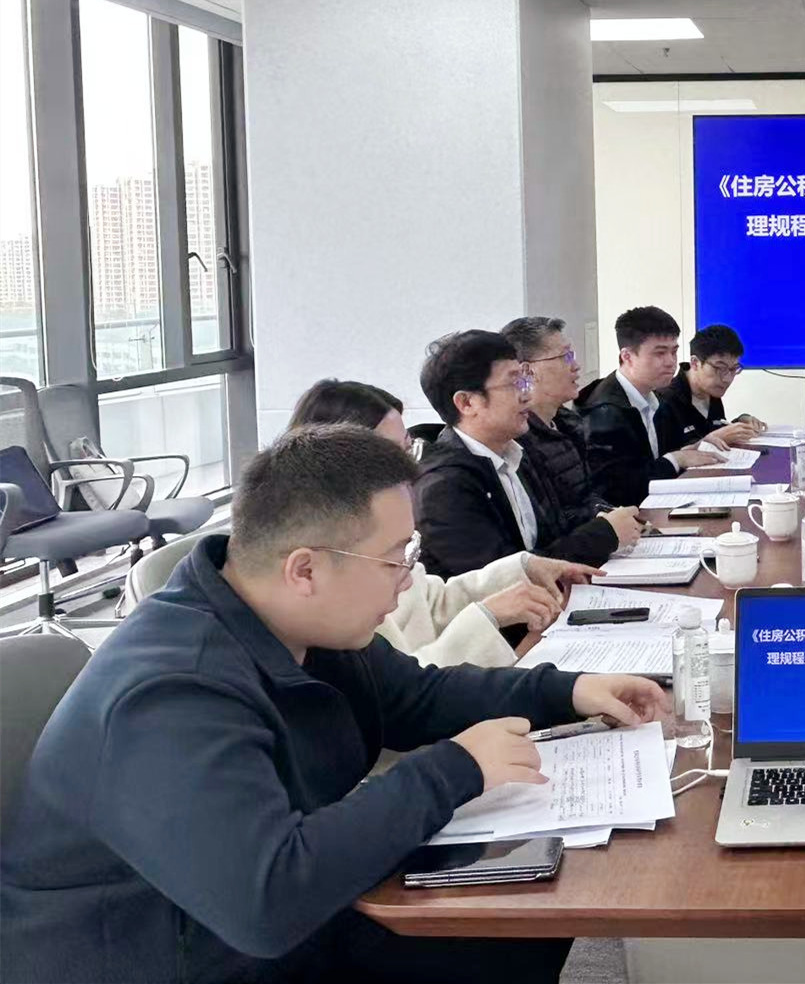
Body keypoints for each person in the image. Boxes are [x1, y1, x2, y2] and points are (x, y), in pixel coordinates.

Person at [0, 425, 669, 984]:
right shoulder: (170, 694)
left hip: (257, 923)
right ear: (305, 568)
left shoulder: (300, 623)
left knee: (520, 926)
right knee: (499, 934)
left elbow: (417, 695)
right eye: (394, 559)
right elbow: (265, 902)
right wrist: (456, 768)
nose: (408, 579)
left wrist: (567, 689)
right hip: (171, 955)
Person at [290, 378, 598, 667]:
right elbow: (402, 684)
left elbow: (430, 603)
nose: (410, 468)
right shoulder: (332, 563)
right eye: (392, 455)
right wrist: (488, 616)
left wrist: (524, 570)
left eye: (408, 448)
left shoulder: (379, 526)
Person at [414, 330, 627, 579]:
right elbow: (507, 578)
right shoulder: (444, 488)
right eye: (514, 383)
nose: (526, 394)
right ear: (467, 403)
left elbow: (555, 530)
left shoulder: (517, 451)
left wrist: (605, 516)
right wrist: (604, 534)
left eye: (524, 379)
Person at [500, 317, 643, 549]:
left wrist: (609, 513)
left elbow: (587, 495)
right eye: (565, 357)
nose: (576, 366)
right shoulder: (517, 442)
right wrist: (605, 526)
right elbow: (553, 525)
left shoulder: (569, 422)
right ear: (528, 371)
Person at [576, 306, 717, 507]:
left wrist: (692, 448)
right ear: (627, 356)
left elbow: (659, 458)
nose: (671, 362)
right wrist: (675, 459)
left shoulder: (657, 398)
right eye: (660, 353)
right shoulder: (605, 412)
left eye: (674, 352)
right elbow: (618, 491)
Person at [659, 323, 765, 451]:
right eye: (719, 368)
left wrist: (740, 423)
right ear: (695, 363)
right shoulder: (665, 401)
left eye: (734, 369)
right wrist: (711, 440)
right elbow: (665, 458)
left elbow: (710, 429)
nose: (727, 379)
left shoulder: (712, 392)